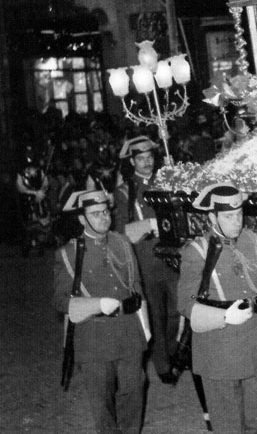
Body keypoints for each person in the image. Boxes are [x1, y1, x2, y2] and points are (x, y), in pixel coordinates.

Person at [176, 183, 257, 434]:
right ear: (212, 217)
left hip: (256, 346)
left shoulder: (254, 242)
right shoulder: (197, 252)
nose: (236, 221)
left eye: (239, 214)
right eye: (228, 216)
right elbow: (185, 302)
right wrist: (224, 315)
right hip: (219, 351)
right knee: (228, 425)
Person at [53, 190, 149, 434]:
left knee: (134, 393)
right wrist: (96, 305)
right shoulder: (68, 253)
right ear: (82, 219)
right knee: (102, 403)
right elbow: (60, 300)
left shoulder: (123, 243)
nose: (103, 218)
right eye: (95, 214)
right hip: (93, 338)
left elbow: (137, 286)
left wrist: (145, 329)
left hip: (128, 332)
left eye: (106, 212)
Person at [114, 136, 180, 385]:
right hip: (146, 260)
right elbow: (124, 231)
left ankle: (172, 352)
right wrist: (151, 225)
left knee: (177, 310)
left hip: (172, 259)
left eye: (149, 158)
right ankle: (163, 364)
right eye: (140, 159)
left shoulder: (166, 182)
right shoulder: (125, 191)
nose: (146, 163)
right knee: (154, 314)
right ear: (132, 161)